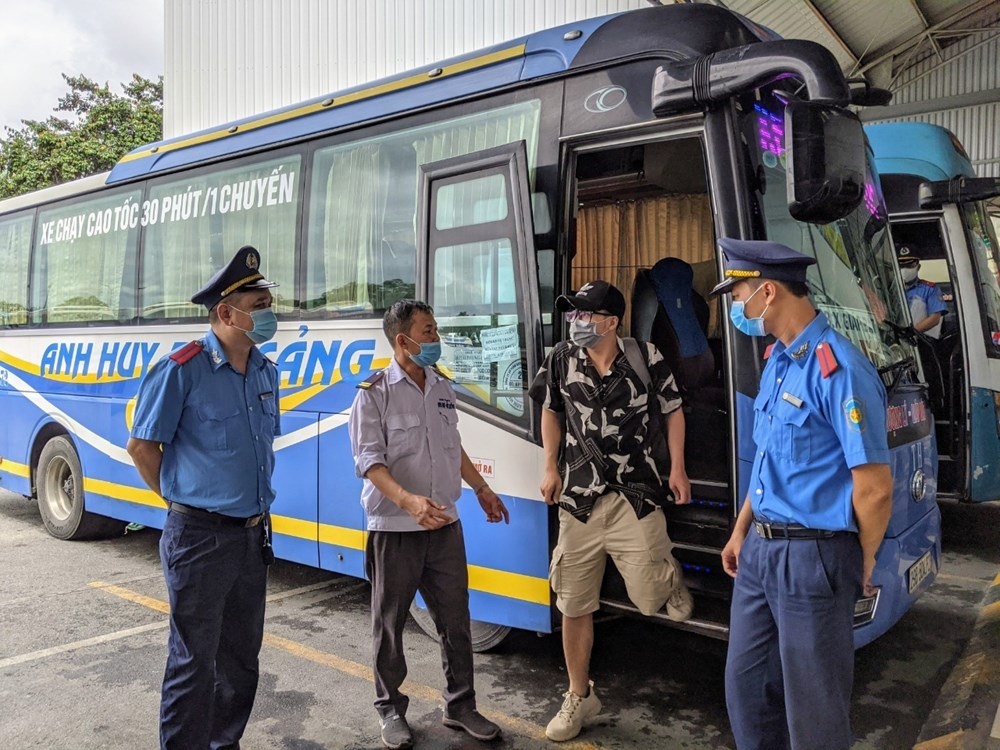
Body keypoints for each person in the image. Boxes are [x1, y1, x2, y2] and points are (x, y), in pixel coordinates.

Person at [713, 239, 892, 750]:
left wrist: (862, 560)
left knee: (813, 710)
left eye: (739, 293)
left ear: (767, 292)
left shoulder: (839, 368)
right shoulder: (779, 362)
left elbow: (875, 488)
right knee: (747, 691)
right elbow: (770, 458)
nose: (735, 308)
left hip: (814, 556)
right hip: (761, 552)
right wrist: (742, 529)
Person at [126, 245, 282, 750]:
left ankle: (224, 744)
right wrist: (179, 503)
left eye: (266, 303)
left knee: (240, 662)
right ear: (225, 312)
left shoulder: (264, 370)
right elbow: (142, 446)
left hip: (252, 537)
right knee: (193, 663)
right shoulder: (181, 368)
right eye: (258, 305)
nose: (268, 313)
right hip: (198, 537)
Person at [527, 279, 694, 743]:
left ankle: (668, 576)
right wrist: (549, 467)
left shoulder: (644, 356)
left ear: (611, 321)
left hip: (634, 494)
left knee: (649, 597)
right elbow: (550, 411)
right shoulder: (561, 358)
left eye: (586, 315)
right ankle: (580, 694)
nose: (577, 323)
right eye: (574, 315)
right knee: (573, 603)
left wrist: (677, 469)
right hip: (579, 500)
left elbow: (674, 409)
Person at [348, 299, 510, 750]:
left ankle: (460, 706)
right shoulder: (373, 392)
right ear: (403, 340)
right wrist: (408, 501)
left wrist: (482, 489)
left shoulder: (441, 387)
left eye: (436, 330)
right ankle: (390, 710)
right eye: (429, 331)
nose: (437, 339)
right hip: (395, 528)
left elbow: (453, 449)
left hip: (444, 526)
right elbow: (369, 463)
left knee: (456, 620)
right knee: (390, 625)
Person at [898, 246, 947, 338]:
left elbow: (935, 318)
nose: (905, 269)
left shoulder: (930, 289)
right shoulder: (891, 289)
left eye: (909, 265)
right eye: (901, 266)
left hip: (922, 342)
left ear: (918, 267)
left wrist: (911, 332)